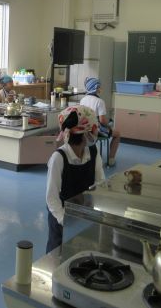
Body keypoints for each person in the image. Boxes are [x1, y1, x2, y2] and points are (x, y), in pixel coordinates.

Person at [46, 105, 104, 253]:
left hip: (84, 213)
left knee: (81, 253)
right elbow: (52, 198)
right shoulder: (59, 158)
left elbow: (100, 184)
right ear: (86, 134)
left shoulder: (93, 152)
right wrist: (65, 221)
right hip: (61, 216)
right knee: (57, 254)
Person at [79, 77, 120, 167]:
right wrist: (109, 126)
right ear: (95, 88)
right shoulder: (100, 101)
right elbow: (102, 121)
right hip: (96, 130)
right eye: (99, 87)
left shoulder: (83, 99)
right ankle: (111, 160)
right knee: (117, 134)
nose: (100, 88)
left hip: (85, 129)